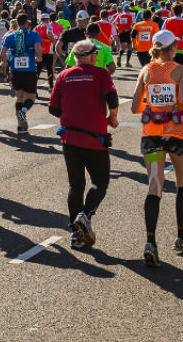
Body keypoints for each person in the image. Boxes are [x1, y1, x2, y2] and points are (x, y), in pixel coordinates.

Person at [131, 29, 183, 266]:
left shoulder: (145, 71)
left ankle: (150, 242)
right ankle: (181, 236)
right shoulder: (181, 70)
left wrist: (154, 106)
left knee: (155, 186)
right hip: (178, 133)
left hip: (151, 134)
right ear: (174, 49)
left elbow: (134, 107)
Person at [50, 40, 119, 249]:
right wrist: (112, 117)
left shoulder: (63, 75)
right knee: (100, 182)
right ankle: (85, 216)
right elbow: (112, 98)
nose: (97, 57)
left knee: (76, 185)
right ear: (90, 56)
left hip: (69, 139)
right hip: (94, 139)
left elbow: (53, 109)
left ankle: (75, 233)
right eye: (95, 54)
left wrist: (72, 115)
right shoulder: (100, 74)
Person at [2, 14, 43, 135]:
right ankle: (23, 112)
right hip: (29, 69)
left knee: (19, 97)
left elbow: (2, 52)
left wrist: (6, 61)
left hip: (15, 69)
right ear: (27, 23)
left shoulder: (10, 36)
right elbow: (37, 50)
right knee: (31, 96)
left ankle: (20, 127)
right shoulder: (34, 34)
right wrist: (39, 58)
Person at [34, 12, 62, 89]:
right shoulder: (48, 26)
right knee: (49, 69)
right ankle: (51, 86)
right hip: (47, 51)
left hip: (39, 51)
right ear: (47, 19)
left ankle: (34, 87)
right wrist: (53, 39)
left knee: (38, 70)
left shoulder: (36, 27)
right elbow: (49, 34)